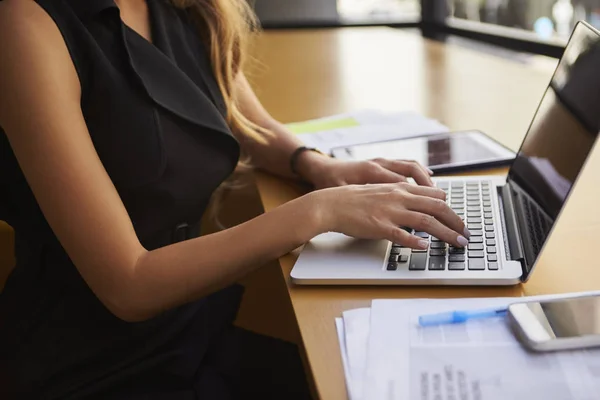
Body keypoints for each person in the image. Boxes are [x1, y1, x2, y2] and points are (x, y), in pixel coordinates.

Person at [0, 0, 469, 398]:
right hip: (91, 366)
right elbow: (129, 285)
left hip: (186, 332)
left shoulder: (183, 7)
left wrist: (317, 166)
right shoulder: (24, 24)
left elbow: (245, 118)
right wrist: (321, 210)